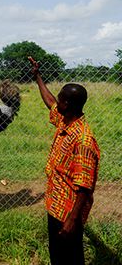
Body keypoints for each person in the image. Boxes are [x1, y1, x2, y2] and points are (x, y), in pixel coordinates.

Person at [28, 57, 100, 265]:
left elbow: (84, 187)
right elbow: (50, 102)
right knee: (58, 256)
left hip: (68, 211)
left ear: (67, 104)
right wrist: (37, 76)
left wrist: (72, 220)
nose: (56, 101)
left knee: (71, 258)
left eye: (60, 98)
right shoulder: (65, 122)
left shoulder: (83, 140)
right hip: (55, 204)